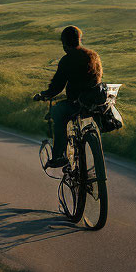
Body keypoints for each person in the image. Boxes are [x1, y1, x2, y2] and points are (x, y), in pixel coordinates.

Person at [33, 26, 103, 168]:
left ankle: (59, 155)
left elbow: (57, 86)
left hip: (76, 104)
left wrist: (44, 95)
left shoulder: (67, 59)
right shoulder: (93, 56)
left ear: (64, 43)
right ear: (79, 39)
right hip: (94, 102)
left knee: (58, 114)